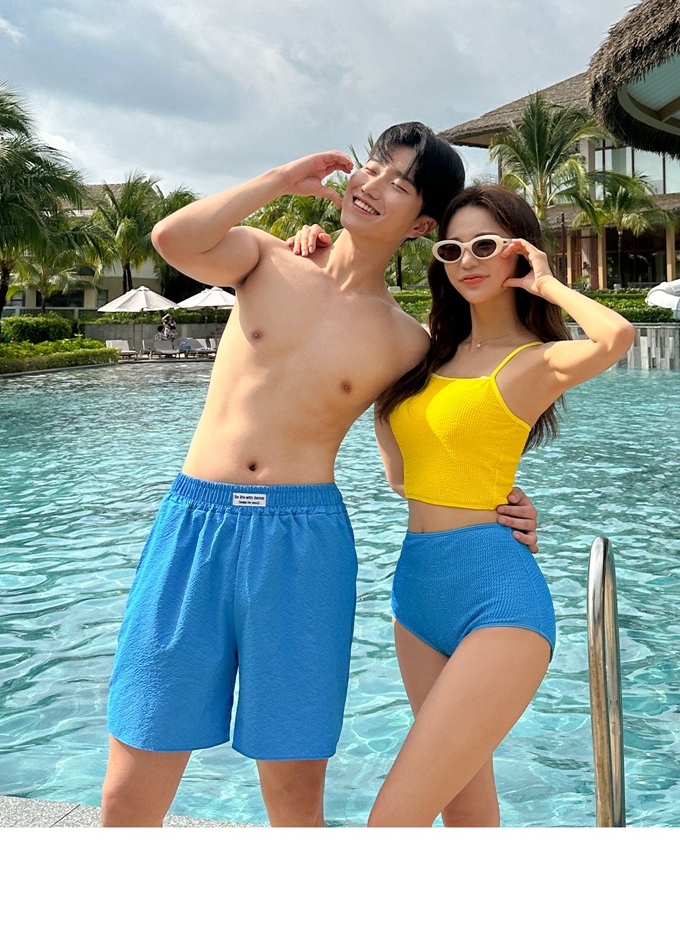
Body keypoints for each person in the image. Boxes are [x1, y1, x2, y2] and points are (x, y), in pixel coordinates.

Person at [99, 123, 542, 828]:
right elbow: (172, 239)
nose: (373, 184)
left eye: (399, 183)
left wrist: (501, 508)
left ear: (421, 225)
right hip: (196, 524)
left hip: (302, 544)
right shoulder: (265, 258)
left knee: (296, 794)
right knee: (128, 788)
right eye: (373, 166)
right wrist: (282, 179)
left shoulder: (406, 342)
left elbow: (419, 462)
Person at [364, 183, 633, 826]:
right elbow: (406, 481)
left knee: (390, 824)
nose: (467, 260)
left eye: (486, 245)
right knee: (466, 815)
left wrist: (547, 283)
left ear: (518, 251)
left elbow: (615, 336)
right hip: (416, 592)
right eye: (452, 249)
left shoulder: (534, 361)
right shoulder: (426, 356)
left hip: (497, 599)